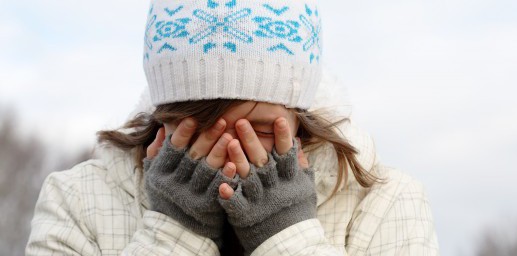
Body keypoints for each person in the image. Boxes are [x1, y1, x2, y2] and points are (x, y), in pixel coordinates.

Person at [26, 0, 440, 255]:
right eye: (195, 130)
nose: (226, 153)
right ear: (161, 116)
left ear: (300, 117)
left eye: (257, 132)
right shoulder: (77, 200)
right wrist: (174, 230)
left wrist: (285, 233)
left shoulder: (386, 202)